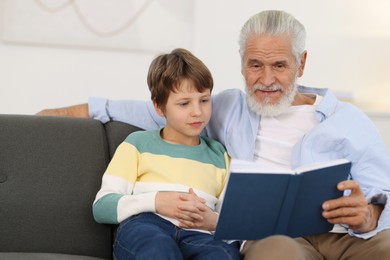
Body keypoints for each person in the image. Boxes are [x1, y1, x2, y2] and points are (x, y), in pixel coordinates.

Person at [38, 10, 390, 259]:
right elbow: (146, 109)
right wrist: (54, 116)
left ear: (301, 64)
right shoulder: (220, 108)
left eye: (279, 66)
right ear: (241, 64)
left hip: (348, 238)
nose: (266, 79)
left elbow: (383, 192)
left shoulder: (348, 119)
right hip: (274, 240)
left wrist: (369, 215)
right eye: (255, 65)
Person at [92, 48, 241, 259]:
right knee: (158, 250)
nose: (197, 111)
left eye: (204, 100)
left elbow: (233, 220)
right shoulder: (137, 144)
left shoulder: (221, 156)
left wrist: (212, 221)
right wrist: (157, 201)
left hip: (199, 235)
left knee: (224, 255)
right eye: (184, 103)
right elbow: (102, 207)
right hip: (146, 226)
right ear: (159, 107)